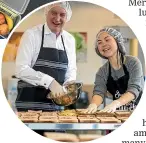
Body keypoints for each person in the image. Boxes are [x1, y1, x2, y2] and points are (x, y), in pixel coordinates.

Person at [15, 2, 76, 111]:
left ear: (67, 17)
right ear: (46, 13)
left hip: (57, 109)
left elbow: (71, 70)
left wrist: (69, 86)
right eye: (54, 13)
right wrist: (50, 82)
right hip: (29, 108)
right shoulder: (32, 35)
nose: (57, 18)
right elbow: (21, 69)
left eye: (62, 15)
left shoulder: (69, 39)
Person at [84, 27, 144, 113]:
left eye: (107, 40)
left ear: (117, 41)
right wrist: (93, 104)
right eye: (99, 43)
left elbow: (134, 89)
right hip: (119, 114)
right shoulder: (102, 71)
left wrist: (116, 103)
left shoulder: (133, 62)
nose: (103, 44)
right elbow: (99, 92)